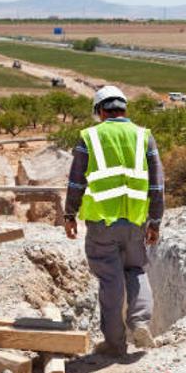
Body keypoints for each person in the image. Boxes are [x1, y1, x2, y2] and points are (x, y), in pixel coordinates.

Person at [64, 86, 165, 357]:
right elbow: (157, 186)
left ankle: (115, 343)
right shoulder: (144, 137)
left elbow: (76, 181)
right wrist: (154, 221)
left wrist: (69, 214)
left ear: (99, 111)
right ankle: (141, 321)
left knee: (110, 279)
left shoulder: (90, 137)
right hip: (135, 220)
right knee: (136, 270)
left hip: (101, 223)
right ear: (124, 109)